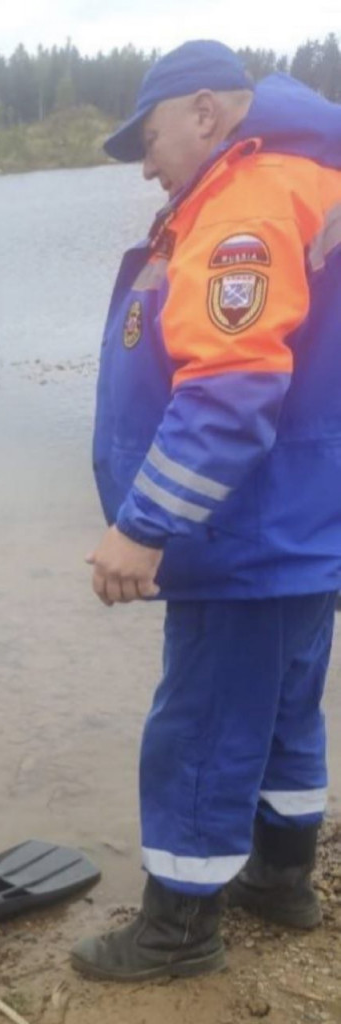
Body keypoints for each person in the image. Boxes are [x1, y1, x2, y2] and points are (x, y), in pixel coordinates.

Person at [72, 40, 341, 982]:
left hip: (247, 529)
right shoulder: (303, 180)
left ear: (202, 113)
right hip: (302, 521)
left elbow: (230, 389)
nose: (144, 164)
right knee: (282, 710)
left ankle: (177, 931)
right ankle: (278, 878)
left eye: (147, 138)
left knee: (200, 726)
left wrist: (144, 525)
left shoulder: (250, 200)